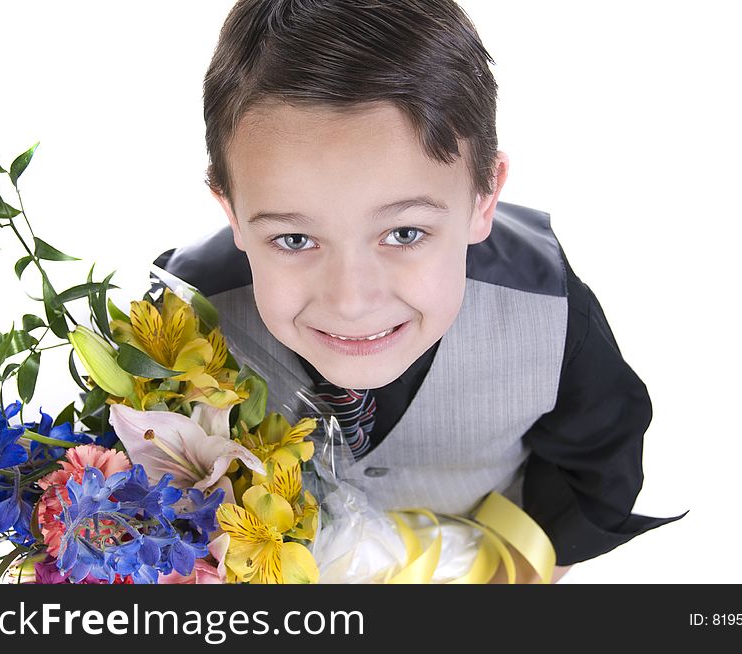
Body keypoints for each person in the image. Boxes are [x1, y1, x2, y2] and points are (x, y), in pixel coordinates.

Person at [154, 0, 686, 583]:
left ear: (484, 196)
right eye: (295, 238)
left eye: (404, 233)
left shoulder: (549, 310)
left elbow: (597, 463)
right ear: (231, 210)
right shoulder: (181, 318)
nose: (351, 301)